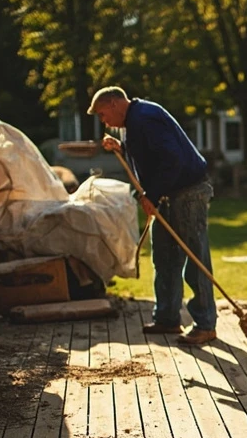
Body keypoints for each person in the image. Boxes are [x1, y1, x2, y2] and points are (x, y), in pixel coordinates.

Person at [88, 86, 217, 345]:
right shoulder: (135, 122)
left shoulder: (145, 117)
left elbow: (172, 160)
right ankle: (168, 319)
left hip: (187, 193)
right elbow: (151, 155)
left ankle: (205, 324)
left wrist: (152, 194)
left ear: (114, 103)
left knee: (194, 257)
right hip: (168, 195)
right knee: (165, 257)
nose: (104, 122)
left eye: (103, 115)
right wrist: (122, 148)